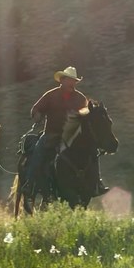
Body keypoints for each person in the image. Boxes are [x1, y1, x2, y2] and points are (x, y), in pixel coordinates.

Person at [26, 66, 109, 197]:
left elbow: (88, 115)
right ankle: (30, 184)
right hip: (51, 134)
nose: (72, 83)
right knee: (38, 152)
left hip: (73, 137)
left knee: (93, 152)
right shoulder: (50, 95)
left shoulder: (80, 98)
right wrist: (37, 116)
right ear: (62, 80)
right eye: (70, 80)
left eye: (74, 81)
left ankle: (97, 183)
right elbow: (35, 109)